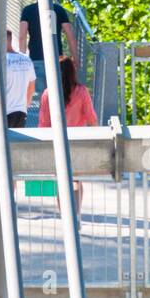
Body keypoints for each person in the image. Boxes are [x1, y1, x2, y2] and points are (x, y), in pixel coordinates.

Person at [37, 57, 97, 211]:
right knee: (76, 179)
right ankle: (76, 214)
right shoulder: (82, 91)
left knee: (61, 180)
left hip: (56, 141)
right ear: (72, 72)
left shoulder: (47, 93)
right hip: (78, 141)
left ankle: (65, 216)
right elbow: (92, 118)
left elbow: (43, 123)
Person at [19, 0, 79, 113]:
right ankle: (57, 122)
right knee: (57, 94)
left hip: (36, 60)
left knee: (41, 97)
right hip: (57, 62)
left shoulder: (28, 10)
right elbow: (70, 35)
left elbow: (22, 36)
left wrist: (22, 59)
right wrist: (75, 59)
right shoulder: (58, 9)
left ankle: (42, 124)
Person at [4, 29, 36, 128]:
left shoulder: (2, 60)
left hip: (5, 112)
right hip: (21, 112)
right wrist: (25, 106)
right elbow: (31, 88)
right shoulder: (27, 59)